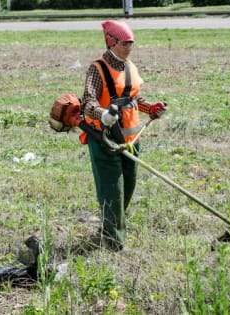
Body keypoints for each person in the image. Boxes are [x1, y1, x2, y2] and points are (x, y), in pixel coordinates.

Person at [81, 20, 167, 252]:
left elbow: (133, 99)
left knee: (127, 187)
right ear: (111, 41)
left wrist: (151, 109)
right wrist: (103, 114)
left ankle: (112, 226)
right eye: (124, 43)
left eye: (131, 43)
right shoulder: (97, 69)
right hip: (105, 140)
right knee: (112, 190)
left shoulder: (130, 67)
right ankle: (114, 243)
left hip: (131, 140)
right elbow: (87, 103)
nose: (129, 47)